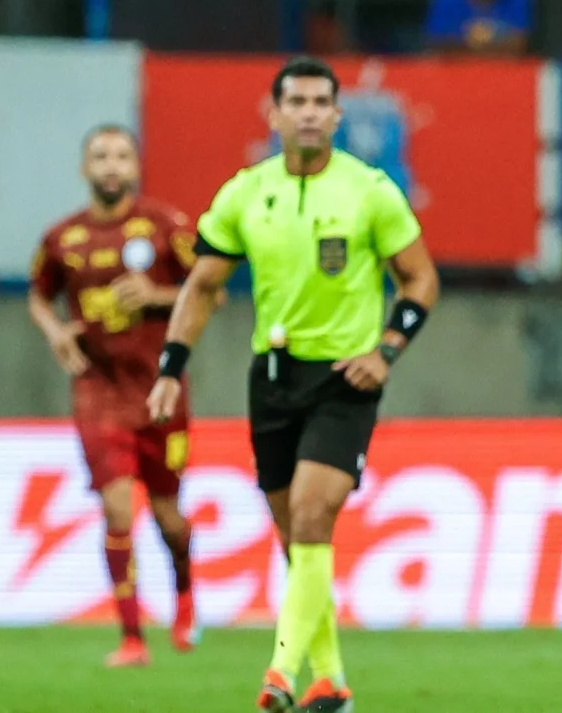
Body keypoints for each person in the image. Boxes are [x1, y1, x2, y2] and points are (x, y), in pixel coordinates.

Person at [149, 57, 442, 713]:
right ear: (273, 114)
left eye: (320, 102)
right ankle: (332, 681)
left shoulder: (370, 191)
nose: (309, 112)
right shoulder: (244, 193)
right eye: (297, 102)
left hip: (345, 377)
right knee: (296, 538)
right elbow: (202, 287)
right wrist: (170, 365)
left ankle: (280, 673)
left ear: (337, 116)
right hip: (273, 379)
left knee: (313, 515)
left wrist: (387, 350)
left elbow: (421, 279)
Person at [25, 125, 202, 667]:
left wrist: (157, 295)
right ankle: (131, 638)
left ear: (135, 165)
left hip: (159, 390)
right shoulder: (62, 239)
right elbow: (37, 296)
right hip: (98, 391)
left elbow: (207, 291)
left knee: (170, 517)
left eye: (121, 156)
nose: (110, 166)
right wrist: (55, 332)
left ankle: (184, 594)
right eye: (99, 156)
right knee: (117, 508)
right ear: (84, 168)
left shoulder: (167, 226)